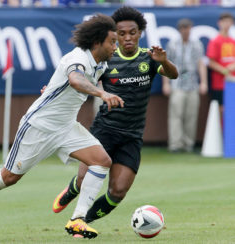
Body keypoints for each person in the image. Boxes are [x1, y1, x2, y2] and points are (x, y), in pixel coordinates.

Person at [0, 14, 123, 239]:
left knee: (102, 161)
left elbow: (69, 82)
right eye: (112, 41)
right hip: (39, 126)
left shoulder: (101, 63)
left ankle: (77, 219)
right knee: (9, 178)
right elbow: (75, 79)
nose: (116, 46)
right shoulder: (78, 57)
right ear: (97, 43)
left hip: (65, 127)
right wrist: (102, 93)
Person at [52, 6, 178, 238]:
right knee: (84, 178)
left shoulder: (149, 58)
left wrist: (165, 61)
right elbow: (80, 79)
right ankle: (72, 189)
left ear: (140, 33)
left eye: (132, 32)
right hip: (105, 130)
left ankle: (83, 220)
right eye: (122, 34)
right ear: (115, 36)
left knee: (118, 191)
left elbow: (173, 75)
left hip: (132, 134)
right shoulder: (106, 60)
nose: (127, 38)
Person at [162, 18, 208, 153]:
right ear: (179, 30)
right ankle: (175, 144)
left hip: (193, 84)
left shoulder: (197, 44)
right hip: (176, 84)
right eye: (183, 28)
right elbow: (165, 64)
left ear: (191, 29)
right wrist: (166, 84)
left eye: (187, 28)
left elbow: (201, 64)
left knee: (191, 115)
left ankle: (188, 144)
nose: (185, 31)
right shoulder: (172, 44)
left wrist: (203, 82)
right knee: (176, 115)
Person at [207, 12, 235, 122]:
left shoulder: (233, 41)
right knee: (220, 110)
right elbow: (211, 62)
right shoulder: (215, 41)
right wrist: (225, 70)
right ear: (219, 23)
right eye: (224, 21)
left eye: (229, 21)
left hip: (232, 83)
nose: (227, 24)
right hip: (219, 83)